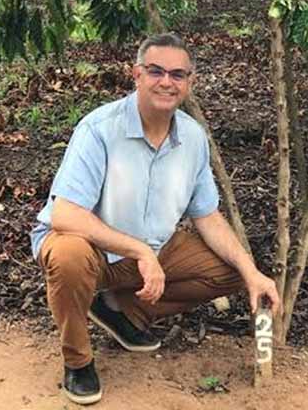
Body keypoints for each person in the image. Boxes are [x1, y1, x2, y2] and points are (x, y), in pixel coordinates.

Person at [29, 33, 280, 405]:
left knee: (234, 270)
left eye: (178, 74)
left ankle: (121, 309)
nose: (167, 81)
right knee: (68, 257)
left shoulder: (193, 138)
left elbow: (207, 216)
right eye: (156, 71)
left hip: (151, 251)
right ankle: (78, 360)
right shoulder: (100, 128)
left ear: (190, 82)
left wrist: (252, 272)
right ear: (137, 74)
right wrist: (139, 251)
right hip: (92, 249)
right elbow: (65, 213)